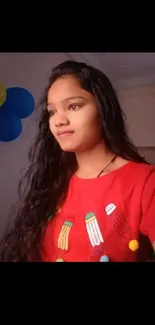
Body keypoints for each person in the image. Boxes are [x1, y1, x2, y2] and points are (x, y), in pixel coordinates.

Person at [0, 60, 155, 262]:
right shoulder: (53, 180)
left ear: (103, 110)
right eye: (52, 112)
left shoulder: (144, 182)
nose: (58, 120)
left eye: (73, 106)